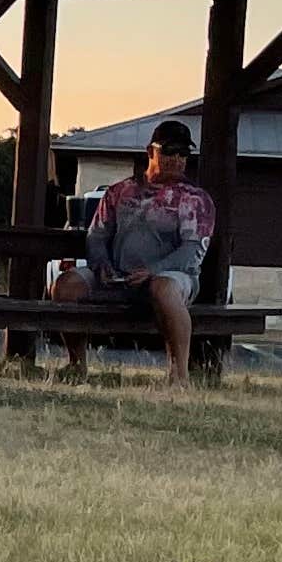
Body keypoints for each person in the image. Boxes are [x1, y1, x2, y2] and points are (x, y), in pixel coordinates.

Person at [55, 118, 214, 387]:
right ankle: (76, 364)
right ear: (150, 152)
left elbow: (191, 251)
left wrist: (153, 271)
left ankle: (180, 376)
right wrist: (101, 265)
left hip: (173, 277)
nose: (177, 159)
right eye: (169, 151)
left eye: (184, 153)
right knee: (65, 284)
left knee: (163, 288)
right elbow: (97, 235)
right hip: (118, 275)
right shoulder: (120, 192)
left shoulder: (195, 199)